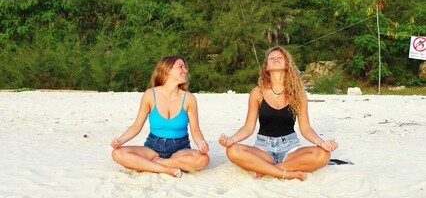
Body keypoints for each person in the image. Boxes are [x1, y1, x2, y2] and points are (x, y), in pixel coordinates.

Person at [218, 46, 338, 181]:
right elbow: (248, 127)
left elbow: (305, 128)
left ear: (287, 65)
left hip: (290, 148)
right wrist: (231, 140)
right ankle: (284, 172)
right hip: (263, 149)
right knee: (232, 151)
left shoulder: (298, 93)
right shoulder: (257, 93)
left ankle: (266, 170)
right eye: (272, 58)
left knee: (323, 155)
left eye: (280, 57)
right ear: (266, 67)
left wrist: (321, 143)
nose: (276, 59)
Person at [111, 56, 210, 178]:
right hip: (153, 148)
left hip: (180, 149)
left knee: (204, 160)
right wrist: (120, 141)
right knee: (117, 154)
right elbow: (136, 126)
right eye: (181, 67)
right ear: (167, 70)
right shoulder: (150, 95)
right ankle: (167, 169)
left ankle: (158, 164)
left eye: (185, 67)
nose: (186, 70)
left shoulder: (189, 98)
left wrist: (201, 144)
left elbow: (195, 130)